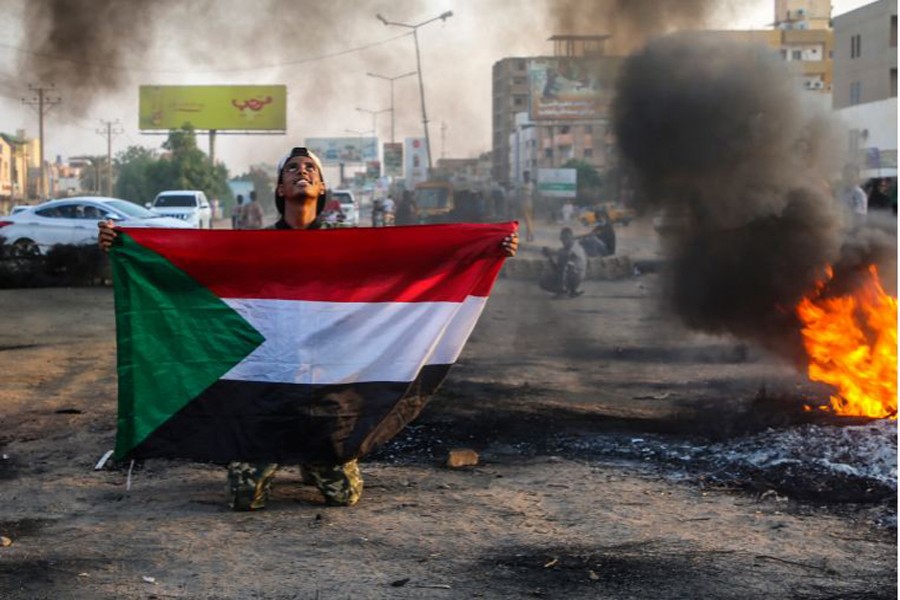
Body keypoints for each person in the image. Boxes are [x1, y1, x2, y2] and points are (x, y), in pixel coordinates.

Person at [99, 146, 519, 511]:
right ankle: (273, 458)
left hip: (326, 399)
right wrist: (123, 245)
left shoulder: (345, 248)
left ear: (321, 190)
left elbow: (415, 263)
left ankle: (314, 459)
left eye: (311, 170)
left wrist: (489, 249)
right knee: (244, 500)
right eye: (293, 169)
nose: (302, 173)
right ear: (280, 189)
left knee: (344, 496)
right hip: (263, 402)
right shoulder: (252, 248)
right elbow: (187, 266)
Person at [540, 227, 586, 298]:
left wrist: (552, 253)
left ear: (569, 238)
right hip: (574, 277)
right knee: (544, 279)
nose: (563, 241)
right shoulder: (568, 248)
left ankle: (564, 291)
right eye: (562, 239)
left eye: (564, 239)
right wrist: (550, 257)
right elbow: (558, 268)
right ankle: (570, 291)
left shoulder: (574, 249)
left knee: (567, 266)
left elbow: (565, 265)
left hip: (575, 277)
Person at [521, 171, 536, 242]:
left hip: (525, 202)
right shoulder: (532, 184)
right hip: (530, 202)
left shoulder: (524, 184)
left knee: (527, 220)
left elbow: (522, 193)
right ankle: (527, 237)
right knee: (528, 220)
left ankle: (531, 234)